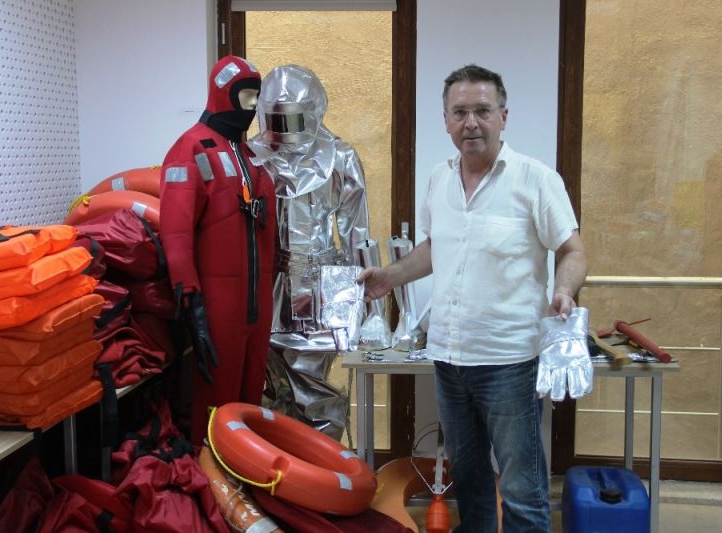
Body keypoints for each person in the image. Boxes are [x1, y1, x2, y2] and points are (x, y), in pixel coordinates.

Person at [357, 64, 587, 532]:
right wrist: (389, 277)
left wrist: (563, 289)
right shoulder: (439, 180)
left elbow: (572, 250)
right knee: (470, 481)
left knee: (522, 488)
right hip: (449, 359)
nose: (471, 123)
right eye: (460, 112)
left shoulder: (535, 179)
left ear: (503, 116)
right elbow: (436, 248)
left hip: (510, 361)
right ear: (445, 120)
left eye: (482, 111)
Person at [247, 64, 371, 439]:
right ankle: (279, 467)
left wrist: (369, 307)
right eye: (276, 119)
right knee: (273, 391)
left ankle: (322, 466)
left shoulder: (339, 157)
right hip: (269, 286)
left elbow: (356, 235)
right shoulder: (251, 157)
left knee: (313, 388)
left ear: (313, 111)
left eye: (293, 118)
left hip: (322, 287)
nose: (285, 131)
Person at [159, 55, 276, 445]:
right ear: (223, 94)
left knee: (250, 405)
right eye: (245, 95)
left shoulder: (249, 157)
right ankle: (210, 479)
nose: (252, 105)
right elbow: (176, 233)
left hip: (256, 305)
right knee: (217, 406)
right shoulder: (191, 149)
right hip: (217, 305)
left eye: (256, 96)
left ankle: (248, 478)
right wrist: (190, 301)